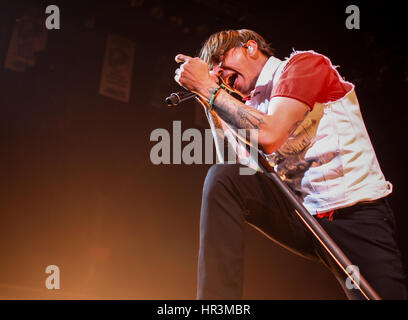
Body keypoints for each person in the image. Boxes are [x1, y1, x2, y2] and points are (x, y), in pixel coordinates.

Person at [173, 29, 407, 300]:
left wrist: (209, 87)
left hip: (355, 215)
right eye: (211, 70)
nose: (218, 73)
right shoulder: (248, 105)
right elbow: (235, 169)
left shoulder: (303, 66)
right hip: (304, 217)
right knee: (223, 178)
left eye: (219, 59)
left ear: (250, 47)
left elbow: (270, 135)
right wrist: (209, 101)